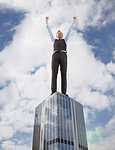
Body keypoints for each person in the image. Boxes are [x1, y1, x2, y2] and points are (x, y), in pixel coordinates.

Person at [45, 16, 76, 95]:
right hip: (55, 55)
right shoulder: (54, 40)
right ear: (56, 35)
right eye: (58, 33)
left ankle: (64, 92)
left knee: (64, 73)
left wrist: (73, 21)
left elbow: (70, 31)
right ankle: (53, 91)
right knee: (54, 73)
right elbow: (49, 31)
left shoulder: (65, 40)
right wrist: (47, 22)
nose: (60, 34)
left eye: (61, 33)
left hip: (63, 55)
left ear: (62, 35)